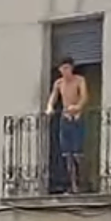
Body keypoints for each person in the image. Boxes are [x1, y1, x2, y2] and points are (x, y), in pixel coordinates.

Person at [45, 56, 89, 193]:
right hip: (65, 118)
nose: (65, 71)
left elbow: (84, 97)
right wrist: (50, 107)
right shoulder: (59, 83)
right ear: (59, 70)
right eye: (63, 69)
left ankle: (82, 182)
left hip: (76, 117)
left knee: (77, 153)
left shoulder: (79, 80)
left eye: (67, 68)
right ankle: (71, 184)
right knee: (66, 154)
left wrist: (77, 107)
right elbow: (53, 97)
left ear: (72, 68)